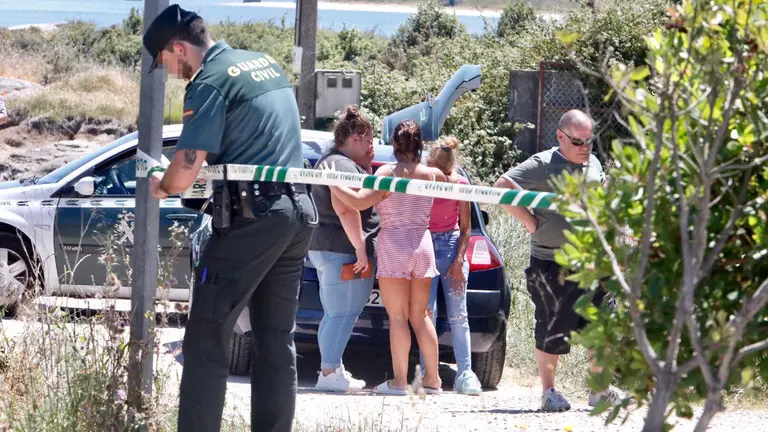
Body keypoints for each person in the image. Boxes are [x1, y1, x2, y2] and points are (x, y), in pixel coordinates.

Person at [142, 5, 317, 431]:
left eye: (165, 60)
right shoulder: (263, 63)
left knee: (205, 338)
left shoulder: (209, 81)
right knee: (275, 342)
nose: (168, 70)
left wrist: (160, 184)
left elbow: (183, 172)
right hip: (296, 213)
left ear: (179, 47)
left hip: (252, 219)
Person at [494, 109, 625, 412]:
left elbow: (600, 188)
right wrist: (529, 221)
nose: (586, 148)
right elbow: (502, 187)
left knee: (603, 324)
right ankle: (549, 392)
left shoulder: (592, 162)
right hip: (552, 263)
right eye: (579, 142)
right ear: (561, 137)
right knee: (553, 329)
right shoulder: (542, 164)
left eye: (590, 141)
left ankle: (600, 390)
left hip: (593, 262)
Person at [324, 120, 448, 395]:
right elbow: (455, 184)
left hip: (395, 245)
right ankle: (433, 378)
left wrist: (333, 183)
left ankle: (400, 381)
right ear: (420, 145)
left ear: (393, 144)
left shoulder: (388, 173)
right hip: (423, 244)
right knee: (421, 315)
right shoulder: (432, 174)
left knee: (398, 317)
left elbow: (357, 202)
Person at [309, 105, 379, 393]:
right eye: (369, 139)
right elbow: (346, 210)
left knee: (334, 313)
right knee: (343, 314)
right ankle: (330, 372)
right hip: (343, 250)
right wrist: (361, 250)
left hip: (326, 248)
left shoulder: (332, 162)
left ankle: (332, 368)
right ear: (355, 138)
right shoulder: (342, 166)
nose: (373, 144)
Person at [417, 136, 483, 395]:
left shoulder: (460, 184)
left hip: (451, 245)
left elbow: (466, 228)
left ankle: (465, 374)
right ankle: (427, 373)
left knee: (459, 316)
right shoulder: (424, 181)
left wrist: (458, 262)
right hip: (425, 245)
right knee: (426, 314)